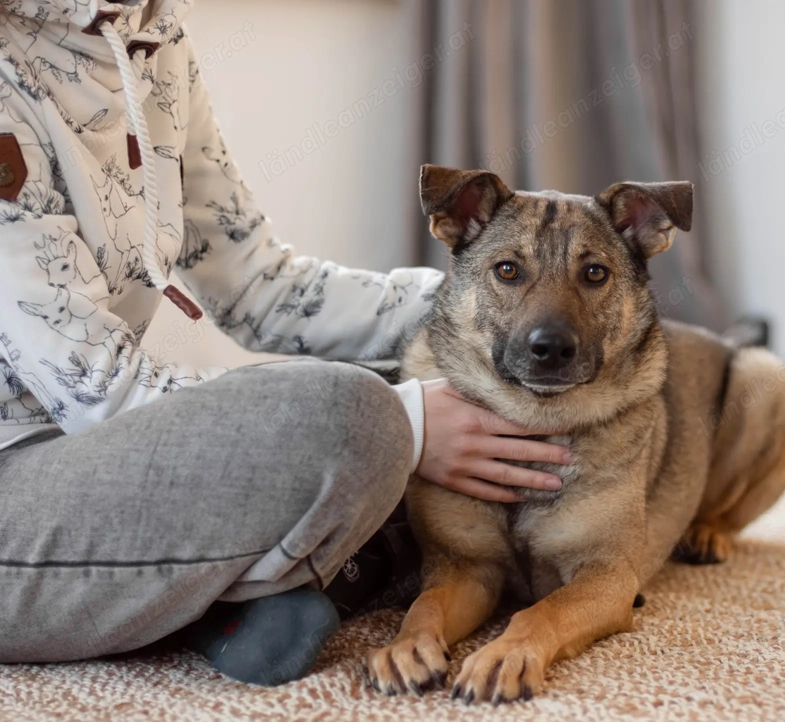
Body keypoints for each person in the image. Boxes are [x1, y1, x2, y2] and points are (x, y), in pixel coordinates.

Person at [0, 1, 570, 685]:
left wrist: (494, 304)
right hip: (18, 490)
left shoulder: (152, 32)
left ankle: (226, 592)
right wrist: (408, 424)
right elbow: (107, 394)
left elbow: (261, 287)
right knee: (358, 415)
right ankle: (297, 578)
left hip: (98, 458)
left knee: (461, 372)